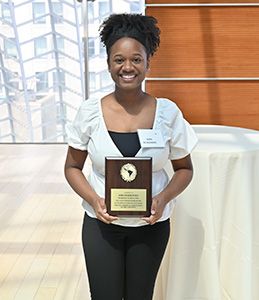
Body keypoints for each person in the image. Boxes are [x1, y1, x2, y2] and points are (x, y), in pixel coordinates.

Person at [64, 13, 198, 300]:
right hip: (101, 226)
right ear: (109, 63)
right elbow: (73, 167)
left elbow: (185, 168)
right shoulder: (90, 112)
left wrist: (162, 200)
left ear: (148, 62)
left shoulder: (167, 113)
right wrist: (94, 201)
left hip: (151, 227)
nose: (128, 67)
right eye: (119, 59)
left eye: (136, 59)